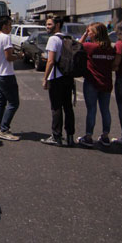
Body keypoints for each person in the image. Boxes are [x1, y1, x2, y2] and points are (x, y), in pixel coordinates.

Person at [77, 22, 116, 148]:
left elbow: (77, 46)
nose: (88, 33)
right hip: (106, 81)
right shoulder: (110, 48)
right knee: (105, 109)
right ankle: (105, 136)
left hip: (92, 82)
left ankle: (88, 136)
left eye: (90, 31)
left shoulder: (90, 46)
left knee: (92, 109)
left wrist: (83, 35)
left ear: (96, 34)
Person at [41, 16, 75, 147]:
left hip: (56, 78)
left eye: (49, 24)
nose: (47, 27)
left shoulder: (53, 39)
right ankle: (70, 136)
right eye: (46, 24)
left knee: (56, 107)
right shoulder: (68, 38)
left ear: (58, 25)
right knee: (68, 107)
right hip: (68, 77)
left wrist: (45, 78)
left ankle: (56, 136)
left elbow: (50, 61)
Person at [0, 15, 21, 141]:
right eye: (9, 25)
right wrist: (19, 56)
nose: (11, 27)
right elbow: (9, 57)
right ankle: (4, 129)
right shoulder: (6, 38)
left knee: (1, 101)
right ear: (4, 26)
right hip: (6, 74)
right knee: (14, 103)